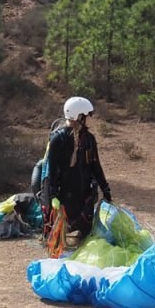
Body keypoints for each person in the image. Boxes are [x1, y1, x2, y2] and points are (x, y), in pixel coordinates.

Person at [44, 95, 111, 241]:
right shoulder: (58, 139)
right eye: (86, 116)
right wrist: (53, 196)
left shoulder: (89, 139)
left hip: (84, 195)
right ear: (79, 116)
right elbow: (52, 170)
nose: (88, 120)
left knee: (85, 235)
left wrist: (105, 189)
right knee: (56, 238)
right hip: (63, 196)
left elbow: (95, 166)